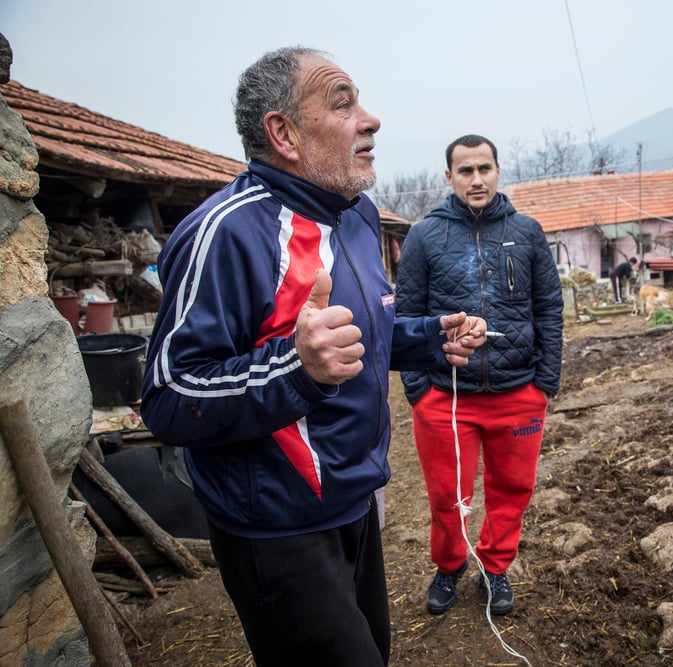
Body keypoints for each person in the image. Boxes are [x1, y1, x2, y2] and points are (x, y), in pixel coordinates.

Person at [139, 47, 486, 667]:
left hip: (353, 499)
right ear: (284, 133)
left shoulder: (355, 216)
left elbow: (358, 338)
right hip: (277, 526)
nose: (370, 119)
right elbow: (168, 398)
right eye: (343, 102)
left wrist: (428, 336)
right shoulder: (225, 232)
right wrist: (293, 370)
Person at [394, 134, 564, 617]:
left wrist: (544, 382)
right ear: (448, 177)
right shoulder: (425, 235)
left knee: (513, 490)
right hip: (446, 398)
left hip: (518, 393)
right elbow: (406, 316)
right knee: (449, 495)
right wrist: (417, 389)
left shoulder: (527, 232)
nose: (476, 179)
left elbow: (549, 308)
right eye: (465, 171)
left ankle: (495, 567)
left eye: (484, 168)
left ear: (497, 171)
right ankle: (449, 567)